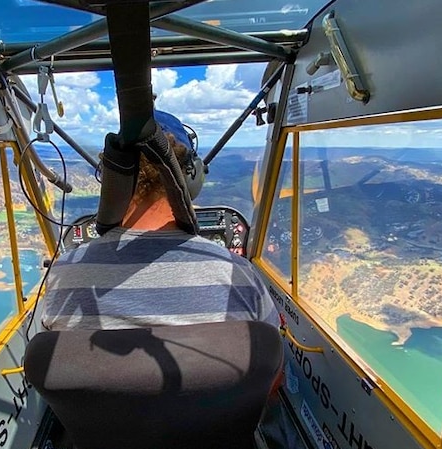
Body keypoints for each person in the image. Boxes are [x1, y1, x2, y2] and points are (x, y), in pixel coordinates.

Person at [41, 110, 279, 332]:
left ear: (111, 180)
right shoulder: (239, 276)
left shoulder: (64, 278)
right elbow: (272, 365)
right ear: (191, 176)